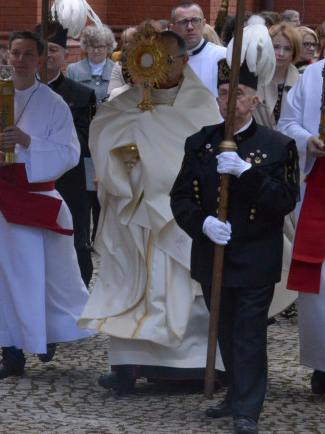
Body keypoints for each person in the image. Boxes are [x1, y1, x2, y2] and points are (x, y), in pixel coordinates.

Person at [81, 30, 223, 393]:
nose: (157, 69)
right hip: (132, 209)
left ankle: (191, 365)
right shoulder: (123, 104)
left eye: (167, 60)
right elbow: (102, 139)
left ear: (184, 61)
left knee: (179, 281)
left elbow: (204, 155)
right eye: (150, 59)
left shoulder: (202, 105)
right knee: (129, 280)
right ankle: (127, 364)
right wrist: (129, 150)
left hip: (178, 213)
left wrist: (152, 142)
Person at [171, 61, 299, 434]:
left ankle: (248, 409)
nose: (229, 100)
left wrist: (247, 174)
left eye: (238, 94)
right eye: (224, 93)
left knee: (249, 331)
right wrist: (203, 224)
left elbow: (285, 199)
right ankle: (234, 395)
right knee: (223, 327)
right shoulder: (200, 142)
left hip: (255, 255)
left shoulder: (277, 145)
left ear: (254, 99)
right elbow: (180, 198)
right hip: (213, 252)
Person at [0, 30, 93, 379]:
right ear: (6, 56)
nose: (20, 60)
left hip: (36, 196)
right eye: (15, 53)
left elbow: (70, 152)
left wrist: (27, 141)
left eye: (28, 54)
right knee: (3, 276)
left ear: (40, 59)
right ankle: (11, 353)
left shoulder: (53, 103)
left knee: (42, 275)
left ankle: (45, 334)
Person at [277, 0, 325, 407]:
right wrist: (308, 140)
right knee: (318, 283)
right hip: (318, 183)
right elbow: (288, 121)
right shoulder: (315, 73)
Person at [40, 22, 98, 286]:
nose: (48, 55)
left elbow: (87, 140)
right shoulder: (15, 93)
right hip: (31, 182)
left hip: (70, 182)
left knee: (76, 241)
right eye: (42, 49)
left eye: (53, 49)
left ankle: (78, 294)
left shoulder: (82, 95)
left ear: (65, 55)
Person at [171, 1, 227, 96]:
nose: (190, 27)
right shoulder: (165, 59)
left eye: (195, 20)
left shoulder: (222, 56)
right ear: (172, 28)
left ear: (203, 24)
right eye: (183, 22)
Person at [254, 22, 302, 130]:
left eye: (287, 49)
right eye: (276, 47)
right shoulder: (252, 79)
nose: (281, 53)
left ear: (294, 52)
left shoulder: (301, 83)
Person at [66, 23, 117, 104]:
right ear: (86, 47)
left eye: (100, 47)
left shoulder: (117, 71)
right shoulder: (73, 70)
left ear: (109, 47)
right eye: (92, 46)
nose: (96, 51)